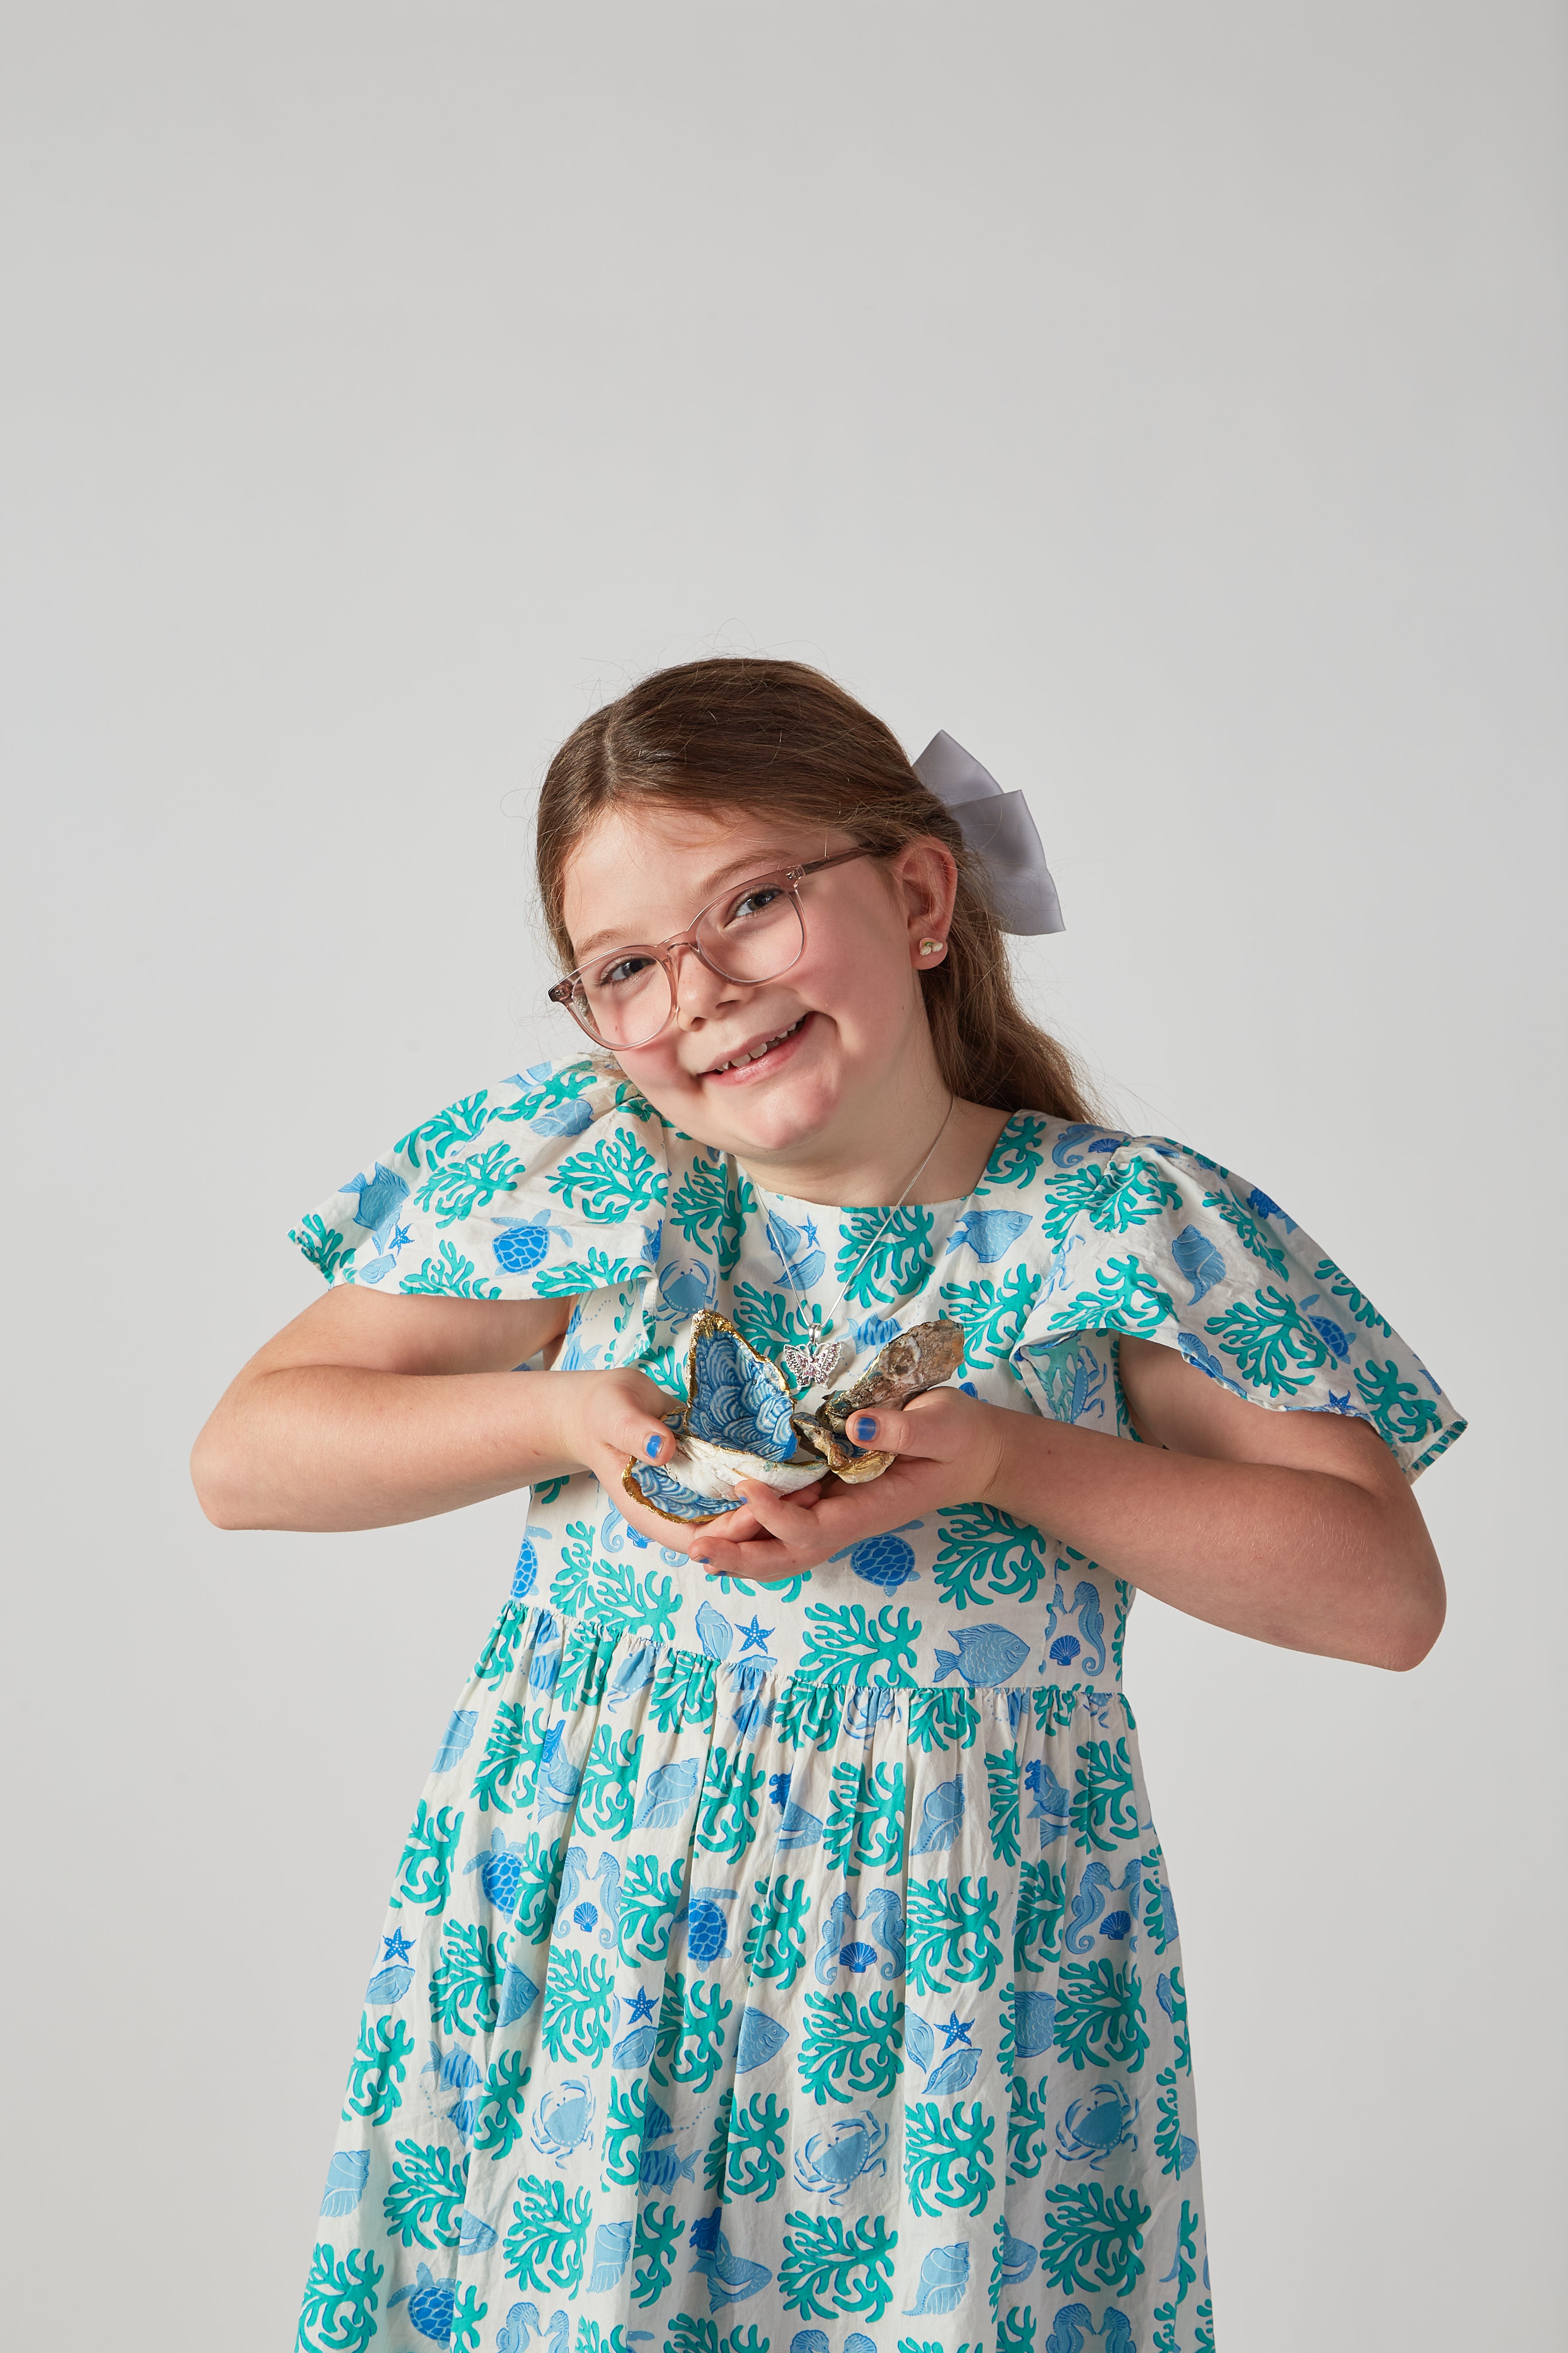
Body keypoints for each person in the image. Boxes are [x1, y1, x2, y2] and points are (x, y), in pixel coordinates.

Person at [192, 657, 1463, 2353]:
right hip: (590, 1957)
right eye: (625, 969)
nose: (697, 994)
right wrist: (564, 1410)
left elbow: (1381, 1595)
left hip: (951, 1999)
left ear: (922, 894)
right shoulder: (587, 1178)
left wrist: (1014, 1458)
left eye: (754, 907)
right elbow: (245, 1454)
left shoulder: (1111, 1230)